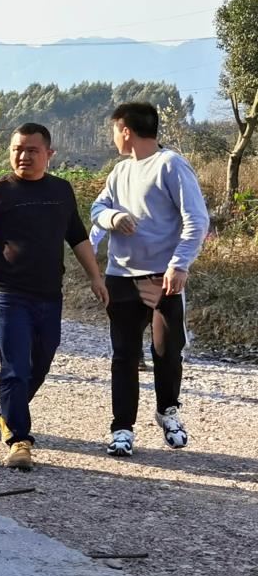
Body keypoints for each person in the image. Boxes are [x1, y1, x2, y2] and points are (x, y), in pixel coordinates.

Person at [0, 124, 109, 470]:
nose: (23, 156)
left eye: (32, 150)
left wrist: (96, 277)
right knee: (16, 368)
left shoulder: (61, 190)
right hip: (9, 295)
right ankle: (19, 440)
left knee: (40, 364)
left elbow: (77, 237)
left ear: (49, 154)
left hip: (50, 295)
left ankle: (6, 414)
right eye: (17, 149)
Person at [89, 102, 209, 457]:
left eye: (114, 130)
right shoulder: (120, 171)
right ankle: (122, 429)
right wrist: (112, 218)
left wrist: (179, 265)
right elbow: (97, 209)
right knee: (124, 355)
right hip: (121, 277)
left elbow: (197, 220)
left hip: (163, 278)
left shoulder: (170, 164)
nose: (113, 137)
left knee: (167, 351)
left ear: (125, 130)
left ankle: (167, 412)